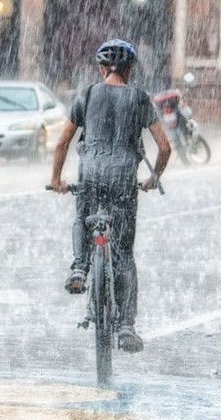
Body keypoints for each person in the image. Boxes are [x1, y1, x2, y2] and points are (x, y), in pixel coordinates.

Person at [49, 39, 171, 353]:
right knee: (124, 255)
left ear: (102, 69)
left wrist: (56, 179)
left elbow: (62, 143)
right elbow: (164, 147)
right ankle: (127, 326)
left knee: (82, 216)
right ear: (129, 70)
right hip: (123, 179)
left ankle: (79, 267)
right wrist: (153, 177)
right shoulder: (140, 99)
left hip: (90, 174)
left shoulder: (87, 94)